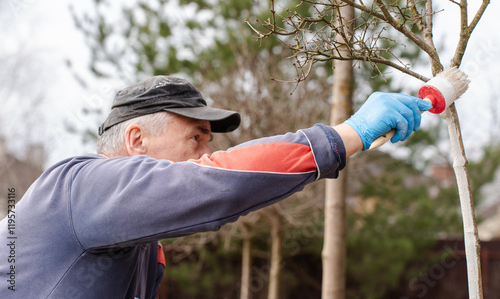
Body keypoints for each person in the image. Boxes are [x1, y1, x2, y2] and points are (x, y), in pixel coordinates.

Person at [0, 75, 432, 298]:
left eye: (209, 140)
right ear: (136, 141)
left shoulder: (139, 241)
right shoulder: (81, 184)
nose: (206, 153)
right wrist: (344, 135)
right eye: (195, 138)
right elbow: (217, 181)